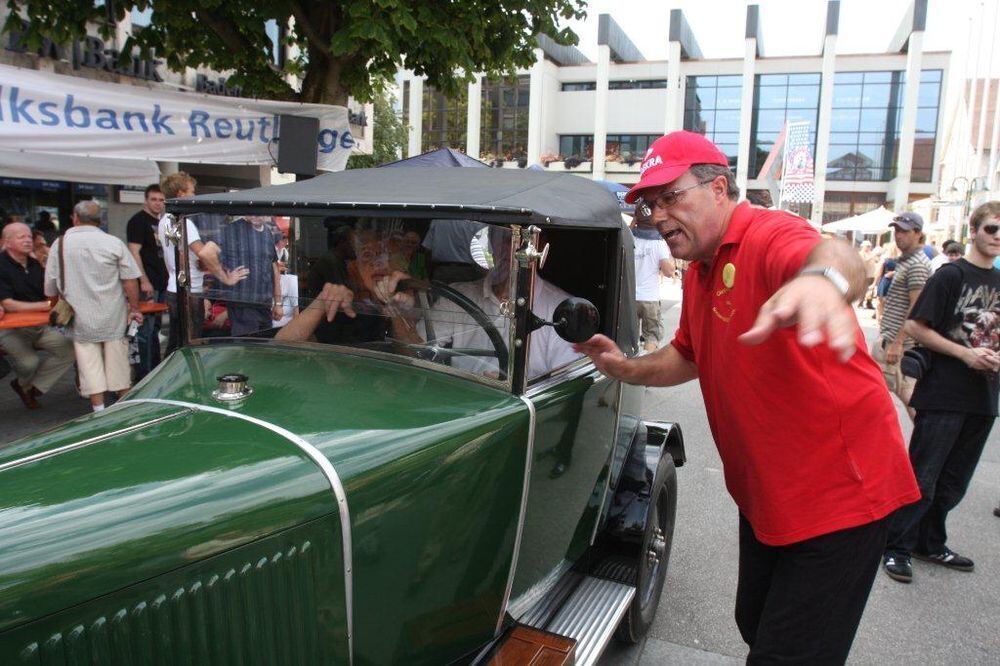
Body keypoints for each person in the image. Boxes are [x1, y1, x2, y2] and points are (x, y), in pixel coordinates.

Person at [572, 131, 919, 664]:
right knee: (753, 621)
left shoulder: (767, 232)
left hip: (839, 497)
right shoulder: (700, 269)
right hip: (768, 494)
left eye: (670, 197)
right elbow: (688, 355)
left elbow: (838, 256)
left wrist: (823, 281)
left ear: (719, 188)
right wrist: (625, 368)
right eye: (649, 203)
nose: (657, 215)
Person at [883, 202, 1000, 583]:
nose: (997, 236)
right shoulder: (950, 275)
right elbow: (917, 327)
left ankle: (930, 542)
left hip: (984, 396)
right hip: (944, 392)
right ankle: (896, 546)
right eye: (991, 228)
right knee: (924, 475)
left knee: (954, 480)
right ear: (974, 230)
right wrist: (965, 354)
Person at [45, 201, 142, 412]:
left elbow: (51, 286)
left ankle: (99, 410)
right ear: (100, 221)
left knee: (88, 364)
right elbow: (130, 280)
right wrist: (134, 308)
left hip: (79, 316)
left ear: (75, 218)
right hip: (113, 314)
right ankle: (124, 409)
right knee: (119, 362)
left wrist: (55, 304)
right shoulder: (113, 243)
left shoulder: (59, 245)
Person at [157, 172, 246, 353]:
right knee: (189, 344)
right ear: (181, 194)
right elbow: (204, 253)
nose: (194, 195)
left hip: (176, 288)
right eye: (192, 191)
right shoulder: (184, 222)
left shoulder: (165, 220)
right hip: (188, 291)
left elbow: (181, 253)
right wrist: (226, 278)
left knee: (177, 343)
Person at [0, 222, 74, 409]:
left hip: (40, 325)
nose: (27, 240)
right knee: (29, 363)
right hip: (11, 330)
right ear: (7, 242)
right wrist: (44, 305)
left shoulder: (35, 265)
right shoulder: (1, 265)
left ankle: (32, 388)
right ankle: (25, 385)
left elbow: (50, 293)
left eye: (28, 237)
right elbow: (8, 304)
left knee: (69, 350)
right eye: (21, 237)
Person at [872, 214, 931, 421]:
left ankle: (925, 437)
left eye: (904, 231)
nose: (898, 235)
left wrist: (898, 343)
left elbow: (917, 306)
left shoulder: (917, 264)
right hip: (892, 340)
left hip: (898, 344)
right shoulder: (908, 261)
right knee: (880, 395)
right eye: (896, 230)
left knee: (907, 397)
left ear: (918, 233)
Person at [126, 184, 167, 379]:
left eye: (161, 200)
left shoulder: (161, 222)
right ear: (146, 200)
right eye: (154, 199)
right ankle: (144, 376)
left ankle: (154, 372)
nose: (158, 203)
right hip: (147, 284)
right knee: (144, 332)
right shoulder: (138, 221)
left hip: (162, 282)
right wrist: (143, 280)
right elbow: (134, 252)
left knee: (154, 330)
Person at [217, 215, 282, 336]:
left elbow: (274, 269)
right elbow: (211, 256)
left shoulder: (268, 233)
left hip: (265, 306)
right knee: (247, 345)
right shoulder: (233, 229)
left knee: (264, 344)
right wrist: (226, 278)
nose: (255, 214)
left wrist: (278, 303)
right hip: (242, 305)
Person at [632, 208, 675, 353]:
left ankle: (630, 363)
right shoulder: (659, 243)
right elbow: (668, 272)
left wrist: (632, 224)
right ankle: (646, 363)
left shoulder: (629, 240)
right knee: (651, 336)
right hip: (650, 298)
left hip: (629, 298)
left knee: (629, 337)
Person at [859, 240, 879, 308]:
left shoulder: (871, 253)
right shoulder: (861, 254)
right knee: (864, 289)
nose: (869, 248)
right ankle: (860, 302)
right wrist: (871, 257)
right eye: (867, 246)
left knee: (871, 290)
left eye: (869, 246)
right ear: (863, 246)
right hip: (865, 274)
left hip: (872, 274)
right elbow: (863, 261)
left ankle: (869, 303)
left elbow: (877, 260)